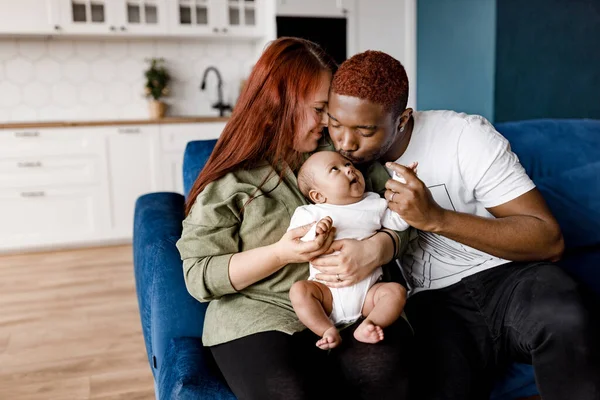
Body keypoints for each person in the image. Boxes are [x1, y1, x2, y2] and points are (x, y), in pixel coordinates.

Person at [317, 50, 600, 400]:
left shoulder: (465, 137)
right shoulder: (327, 158)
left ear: (402, 119)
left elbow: (547, 239)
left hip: (509, 278)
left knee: (566, 317)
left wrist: (437, 218)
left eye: (365, 130)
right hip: (432, 304)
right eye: (335, 124)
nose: (345, 144)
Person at [176, 38, 413, 400]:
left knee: (384, 370)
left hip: (350, 307)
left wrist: (380, 248)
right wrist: (280, 254)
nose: (328, 122)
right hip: (259, 315)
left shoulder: (339, 158)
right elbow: (198, 277)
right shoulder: (232, 184)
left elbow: (402, 215)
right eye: (320, 109)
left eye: (329, 110)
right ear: (278, 106)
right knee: (287, 391)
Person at [289, 151, 413, 350]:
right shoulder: (311, 213)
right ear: (318, 195)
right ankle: (325, 329)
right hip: (325, 294)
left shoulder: (373, 203)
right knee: (299, 291)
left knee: (396, 292)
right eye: (335, 169)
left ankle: (370, 324)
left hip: (368, 293)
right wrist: (315, 232)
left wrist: (402, 188)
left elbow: (398, 222)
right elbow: (296, 240)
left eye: (349, 165)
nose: (349, 169)